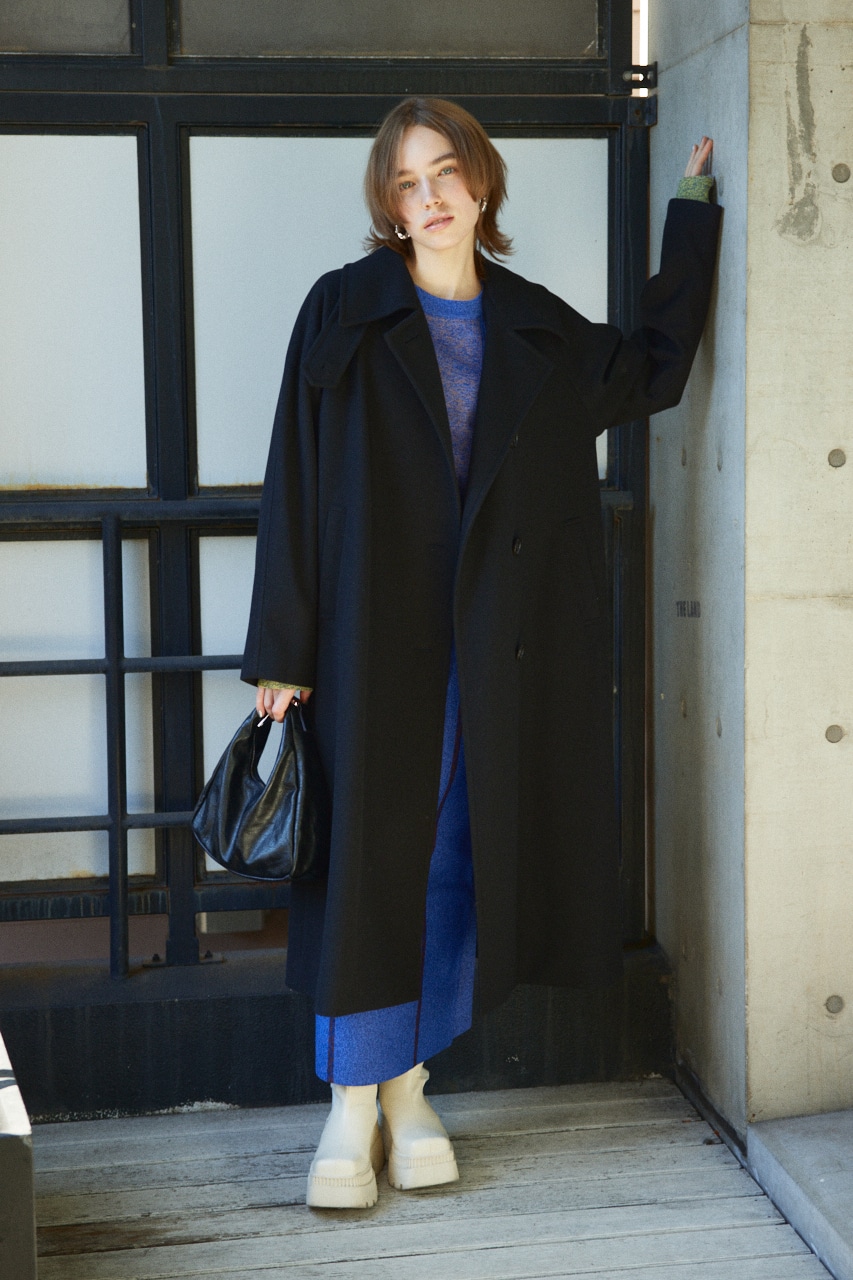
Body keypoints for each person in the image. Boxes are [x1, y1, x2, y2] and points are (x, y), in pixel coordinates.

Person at [242, 97, 721, 1209]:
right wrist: (282, 649)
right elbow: (292, 475)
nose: (430, 199)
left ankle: (410, 1088)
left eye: (445, 174)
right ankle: (349, 1104)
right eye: (406, 184)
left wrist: (692, 212)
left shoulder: (536, 328)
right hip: (369, 645)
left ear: (482, 182)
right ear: (389, 204)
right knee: (369, 862)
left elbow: (653, 368)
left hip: (494, 653)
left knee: (458, 858)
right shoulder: (345, 309)